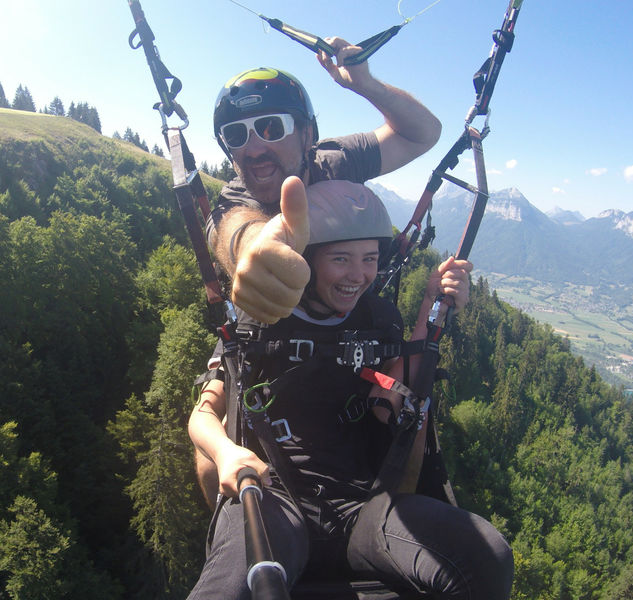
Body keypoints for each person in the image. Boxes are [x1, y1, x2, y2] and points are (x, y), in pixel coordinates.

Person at [187, 181, 514, 600]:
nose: (358, 275)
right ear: (307, 260)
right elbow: (204, 413)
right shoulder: (260, 316)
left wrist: (431, 310)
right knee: (233, 588)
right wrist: (225, 453)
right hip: (275, 500)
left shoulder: (378, 319)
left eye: (370, 259)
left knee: (486, 556)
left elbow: (389, 400)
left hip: (362, 507)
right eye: (340, 259)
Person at [208, 40, 441, 325]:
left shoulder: (337, 161)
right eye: (235, 135)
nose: (255, 150)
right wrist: (253, 250)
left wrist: (367, 84)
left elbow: (424, 133)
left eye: (271, 128)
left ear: (307, 134)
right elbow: (233, 229)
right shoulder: (235, 197)